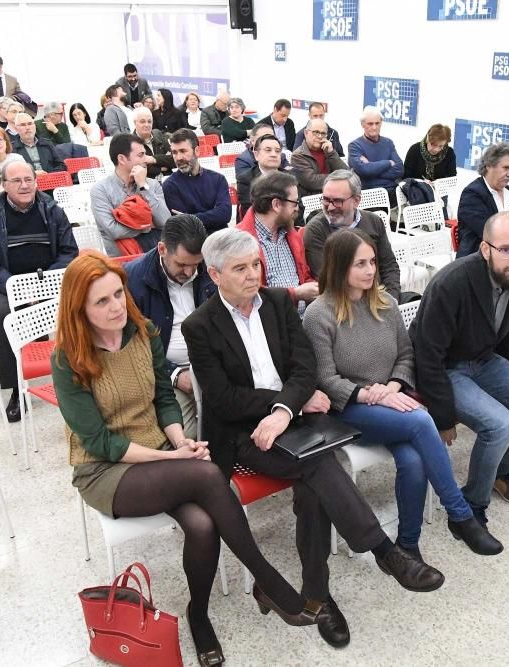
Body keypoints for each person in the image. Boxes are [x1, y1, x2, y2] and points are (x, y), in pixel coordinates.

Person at [53, 252, 321, 665]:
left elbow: (164, 398)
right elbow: (101, 443)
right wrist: (177, 457)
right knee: (206, 474)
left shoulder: (141, 332)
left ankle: (198, 614)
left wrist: (179, 442)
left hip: (161, 455)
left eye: (118, 295)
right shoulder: (68, 359)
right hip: (106, 471)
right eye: (101, 302)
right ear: (79, 310)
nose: (116, 307)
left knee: (200, 522)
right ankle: (266, 578)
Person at [183, 227, 445, 648]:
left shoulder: (277, 303)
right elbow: (224, 399)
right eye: (240, 269)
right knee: (320, 463)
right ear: (214, 274)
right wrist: (285, 406)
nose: (253, 275)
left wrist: (287, 409)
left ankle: (316, 597)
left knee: (312, 487)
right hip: (244, 434)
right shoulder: (200, 326)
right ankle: (384, 551)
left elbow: (305, 368)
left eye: (256, 265)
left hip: (293, 421)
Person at [304, 229, 495, 558]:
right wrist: (370, 395)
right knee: (421, 422)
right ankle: (460, 515)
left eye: (373, 262)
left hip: (392, 404)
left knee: (413, 459)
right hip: (347, 410)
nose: (370, 270)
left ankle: (408, 545)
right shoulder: (318, 314)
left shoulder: (385, 302)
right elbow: (325, 379)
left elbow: (407, 355)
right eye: (360, 264)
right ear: (338, 267)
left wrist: (391, 387)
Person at [411, 211, 509, 551]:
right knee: (501, 425)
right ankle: (472, 505)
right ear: (485, 249)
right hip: (446, 367)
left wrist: (502, 378)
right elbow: (426, 354)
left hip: (487, 361)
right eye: (507, 249)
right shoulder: (452, 282)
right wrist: (443, 414)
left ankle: (497, 474)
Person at [0, 159, 78, 421]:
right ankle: (17, 388)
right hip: (6, 284)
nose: (24, 185)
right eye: (16, 181)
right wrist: (16, 287)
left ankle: (81, 376)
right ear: (4, 185)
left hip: (47, 281)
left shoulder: (51, 209)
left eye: (28, 179)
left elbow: (69, 252)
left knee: (84, 302)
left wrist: (45, 282)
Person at [124, 215, 216, 439]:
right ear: (162, 248)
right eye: (182, 264)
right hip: (165, 373)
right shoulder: (133, 279)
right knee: (187, 436)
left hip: (211, 364)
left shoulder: (207, 269)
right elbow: (133, 345)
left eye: (195, 264)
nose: (189, 272)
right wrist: (174, 374)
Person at [303, 170, 399, 301]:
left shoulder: (374, 221)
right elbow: (329, 280)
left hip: (380, 297)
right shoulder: (315, 230)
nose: (330, 207)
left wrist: (391, 299)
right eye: (326, 200)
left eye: (337, 201)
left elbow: (389, 266)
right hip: (344, 304)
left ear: (356, 200)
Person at [236, 171, 318, 309]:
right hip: (269, 323)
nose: (298, 209)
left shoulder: (292, 235)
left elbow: (305, 276)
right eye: (295, 203)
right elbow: (247, 294)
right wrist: (295, 294)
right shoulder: (239, 242)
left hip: (303, 318)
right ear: (276, 205)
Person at [90, 133, 172, 256]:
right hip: (123, 261)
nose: (146, 159)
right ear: (122, 159)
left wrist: (143, 187)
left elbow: (165, 222)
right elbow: (113, 231)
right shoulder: (101, 190)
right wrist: (147, 226)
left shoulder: (152, 185)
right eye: (141, 155)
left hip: (156, 255)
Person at [456, 142, 509, 258]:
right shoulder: (472, 194)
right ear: (489, 165)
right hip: (477, 259)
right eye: (505, 168)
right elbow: (489, 231)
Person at [162, 129, 232, 233]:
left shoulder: (218, 179)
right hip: (192, 244)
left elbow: (225, 214)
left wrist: (191, 218)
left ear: (197, 151)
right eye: (174, 152)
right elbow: (182, 225)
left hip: (220, 240)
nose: (178, 158)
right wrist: (213, 215)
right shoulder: (169, 185)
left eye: (183, 151)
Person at [347, 106, 403, 200]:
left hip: (391, 192)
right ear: (362, 124)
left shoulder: (388, 143)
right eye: (370, 124)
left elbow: (400, 170)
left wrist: (370, 166)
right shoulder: (355, 146)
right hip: (369, 195)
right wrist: (388, 163)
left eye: (377, 123)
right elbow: (364, 170)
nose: (374, 127)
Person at [290, 118, 348, 198]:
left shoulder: (328, 150)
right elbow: (312, 182)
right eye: (316, 132)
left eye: (323, 133)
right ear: (306, 133)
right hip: (312, 200)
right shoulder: (298, 155)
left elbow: (347, 174)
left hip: (334, 196)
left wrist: (331, 154)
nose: (320, 136)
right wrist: (338, 178)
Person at [235, 133, 283, 216]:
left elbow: (297, 208)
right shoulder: (245, 179)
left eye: (277, 151)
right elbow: (252, 212)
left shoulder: (290, 177)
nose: (274, 154)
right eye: (268, 150)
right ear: (256, 155)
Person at [132, 107, 174, 178]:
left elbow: (174, 159)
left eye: (149, 121)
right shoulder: (131, 142)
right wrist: (161, 168)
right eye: (142, 121)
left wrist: (153, 159)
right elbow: (138, 168)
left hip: (168, 179)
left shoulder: (158, 135)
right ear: (135, 123)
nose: (147, 125)